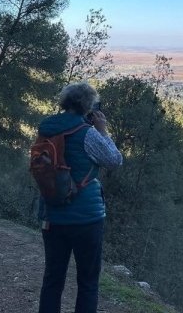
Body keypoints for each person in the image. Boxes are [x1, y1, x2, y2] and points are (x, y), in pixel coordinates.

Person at [37, 82, 123, 313]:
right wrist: (102, 129)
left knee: (52, 280)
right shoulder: (87, 134)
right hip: (87, 217)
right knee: (87, 282)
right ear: (88, 106)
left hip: (52, 215)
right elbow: (114, 160)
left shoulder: (46, 129)